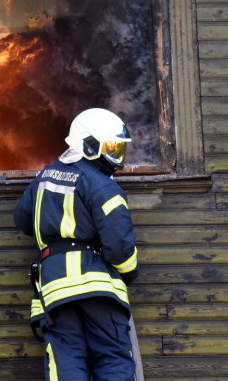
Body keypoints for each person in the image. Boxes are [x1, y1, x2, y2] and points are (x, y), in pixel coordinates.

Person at [14, 108, 140, 381]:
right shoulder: (103, 187)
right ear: (89, 145)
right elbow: (119, 246)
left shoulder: (44, 177)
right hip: (97, 286)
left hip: (55, 288)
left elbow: (23, 220)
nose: (116, 156)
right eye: (111, 147)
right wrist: (129, 273)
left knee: (65, 359)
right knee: (112, 358)